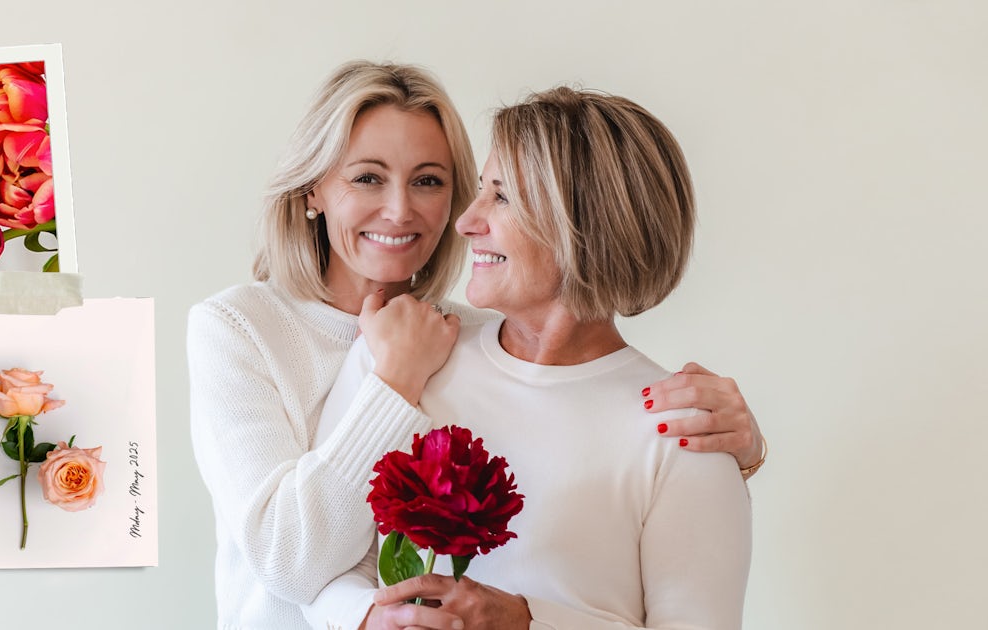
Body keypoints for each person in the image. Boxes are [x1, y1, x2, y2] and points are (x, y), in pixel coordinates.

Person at [187, 62, 766, 630]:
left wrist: (526, 621)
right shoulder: (362, 351)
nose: (460, 220)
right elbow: (312, 566)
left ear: (580, 224)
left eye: (433, 181)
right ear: (312, 189)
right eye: (367, 176)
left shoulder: (436, 340)